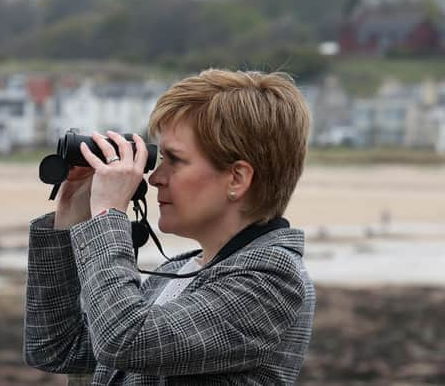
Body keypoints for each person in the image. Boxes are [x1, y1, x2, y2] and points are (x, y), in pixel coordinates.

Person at [24, 69, 315, 385]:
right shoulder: (179, 272)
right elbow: (55, 349)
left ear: (237, 178)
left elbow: (123, 338)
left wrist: (108, 215)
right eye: (158, 158)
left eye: (174, 160)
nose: (155, 177)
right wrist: (70, 215)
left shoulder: (271, 280)